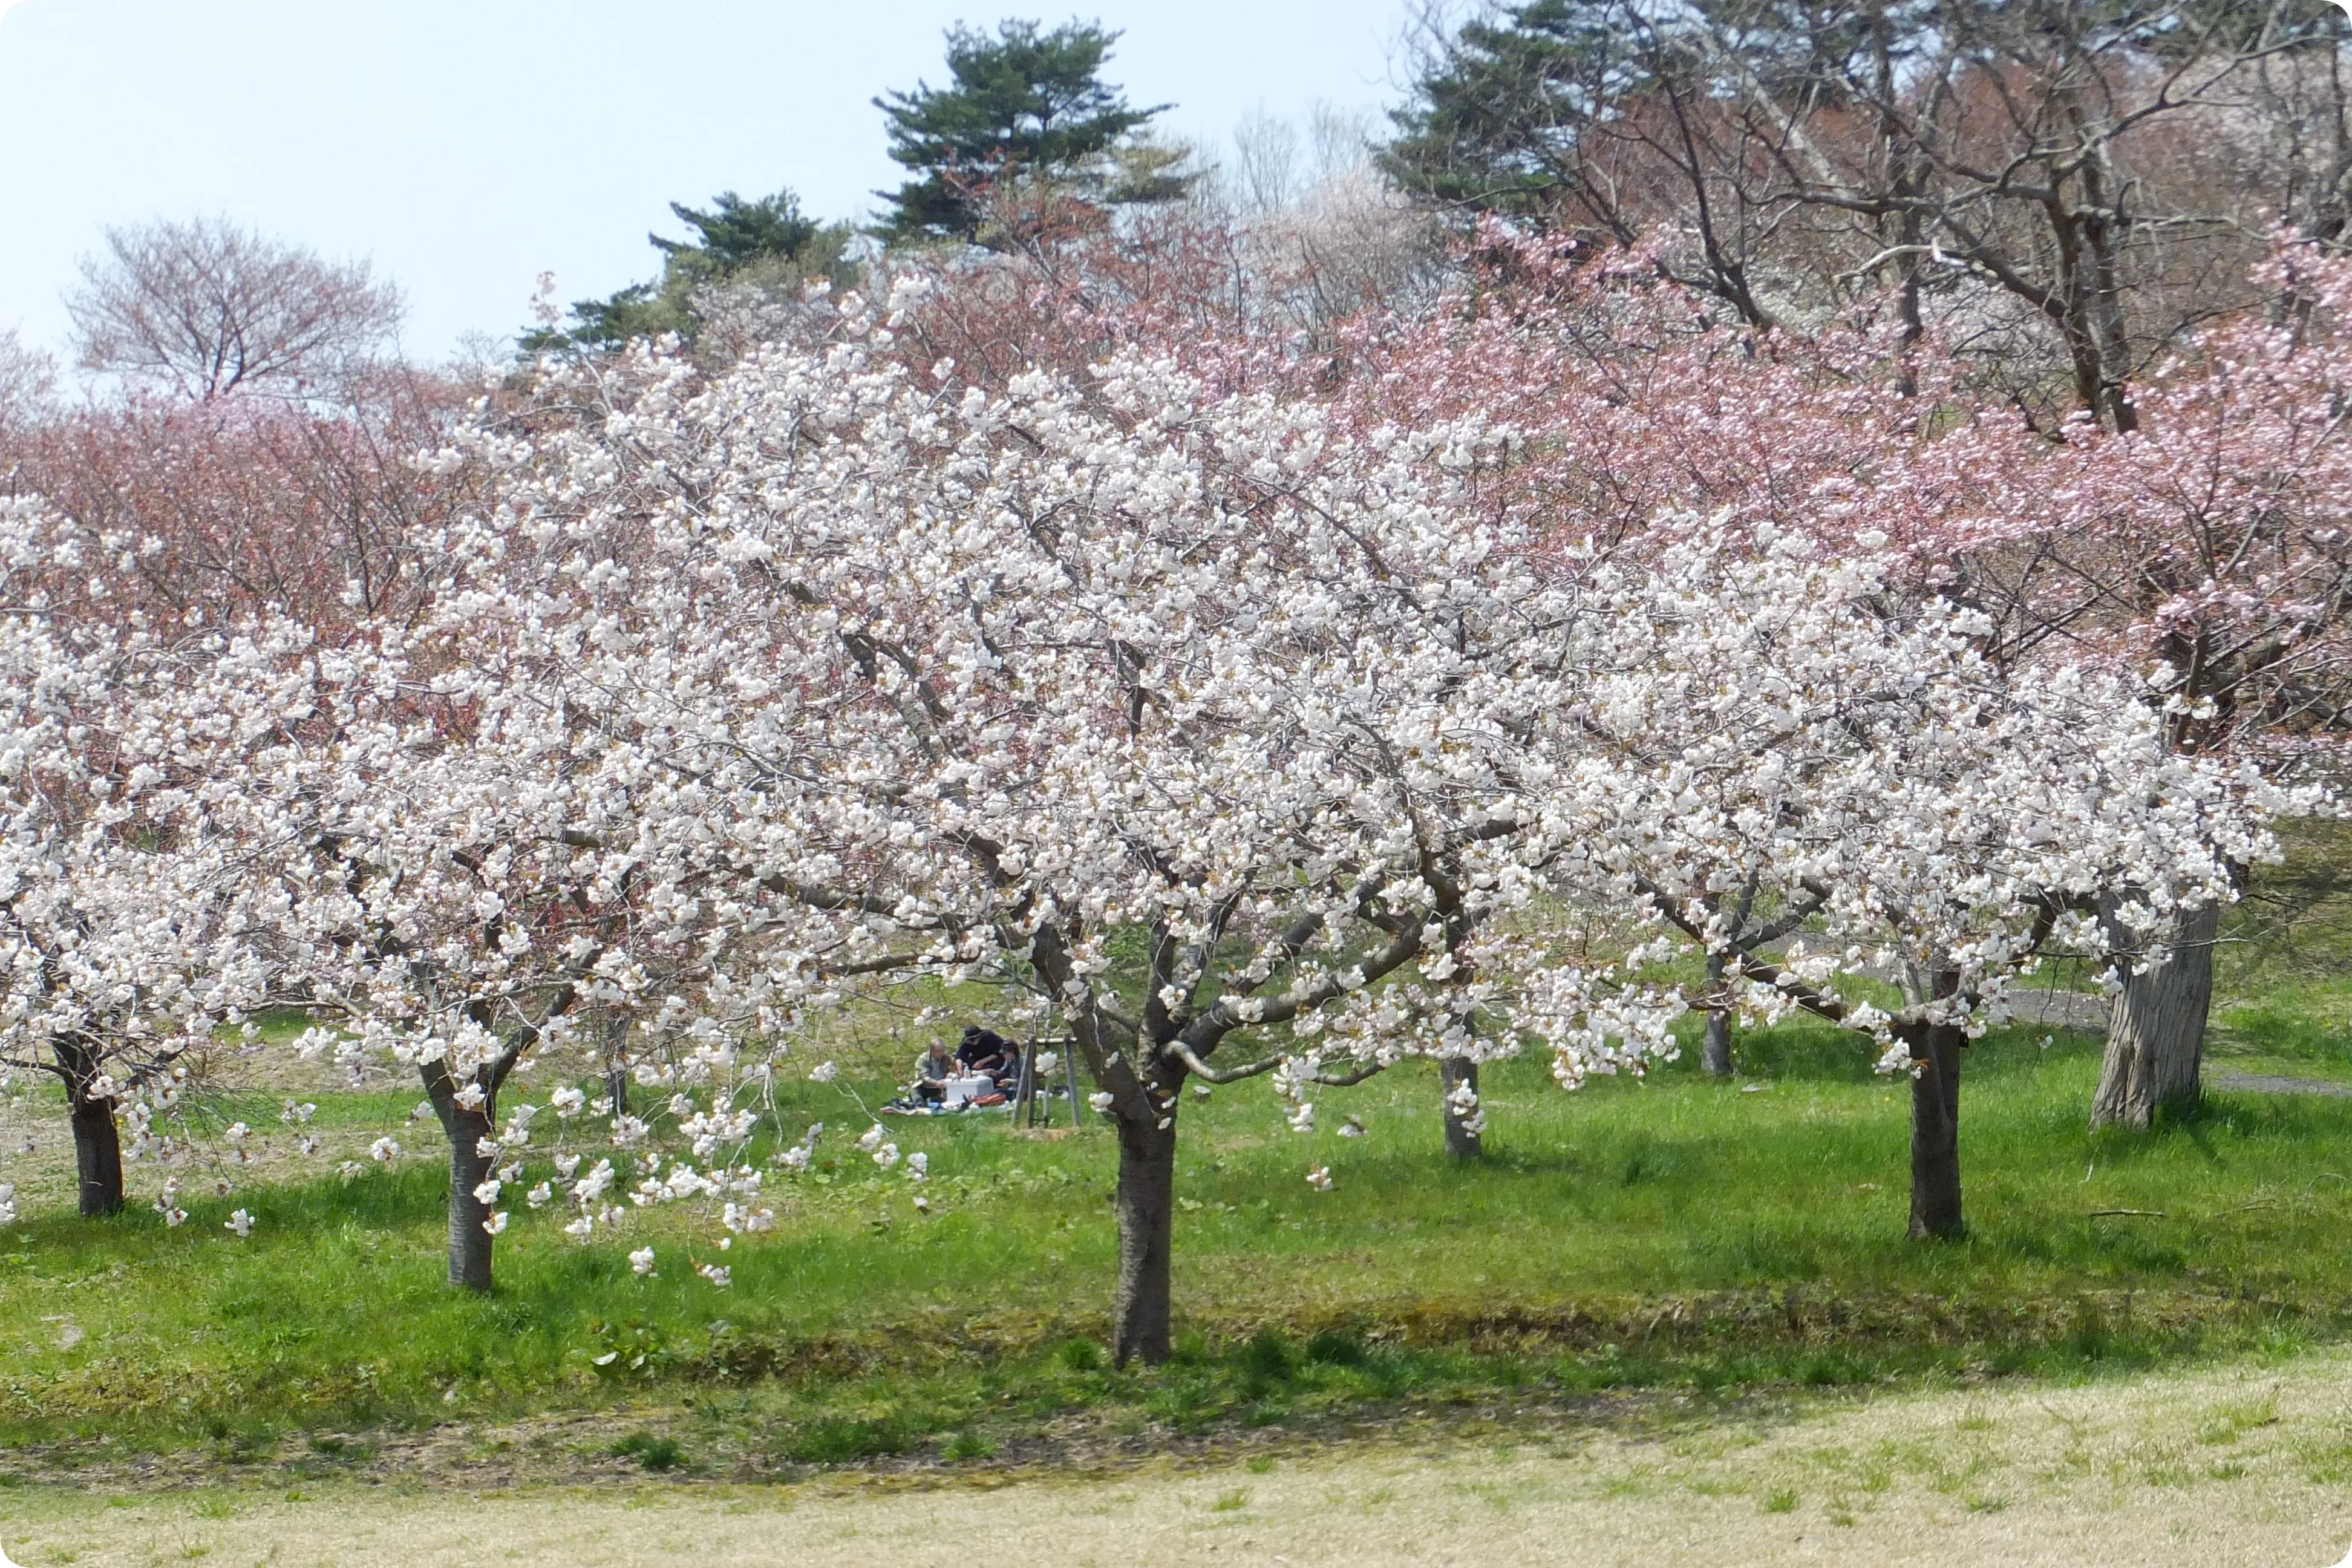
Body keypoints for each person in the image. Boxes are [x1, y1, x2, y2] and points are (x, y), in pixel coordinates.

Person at [913, 1037, 956, 1105]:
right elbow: (925, 1077)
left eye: (943, 1050)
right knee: (919, 1103)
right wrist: (936, 1082)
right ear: (932, 1051)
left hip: (938, 1089)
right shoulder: (923, 1059)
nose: (941, 1053)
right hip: (923, 1087)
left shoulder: (946, 1058)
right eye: (938, 1051)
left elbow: (955, 1062)